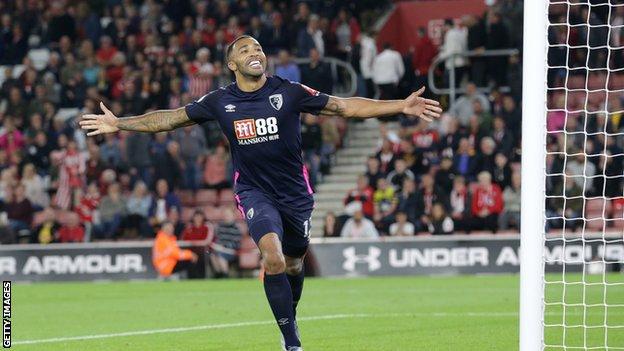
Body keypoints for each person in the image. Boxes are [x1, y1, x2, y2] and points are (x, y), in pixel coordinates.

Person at [80, 35, 441, 351]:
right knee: (273, 258)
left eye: (258, 47)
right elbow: (169, 118)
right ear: (231, 63)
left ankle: (289, 316)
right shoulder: (219, 101)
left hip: (296, 195)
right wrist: (118, 123)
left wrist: (400, 105)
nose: (255, 52)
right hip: (253, 191)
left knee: (296, 262)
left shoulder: (289, 92)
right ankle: (291, 342)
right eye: (245, 49)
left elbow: (345, 106)